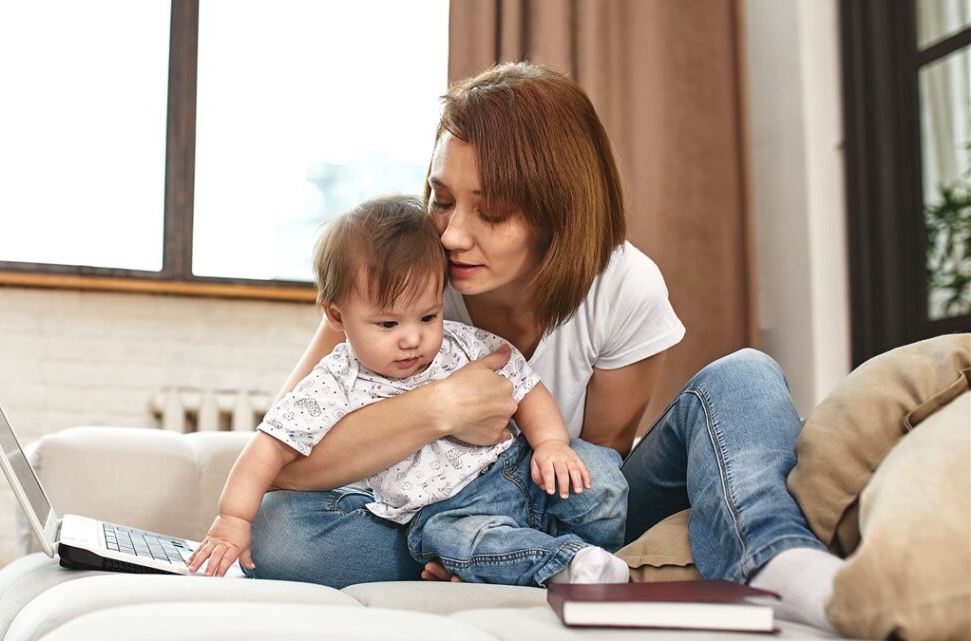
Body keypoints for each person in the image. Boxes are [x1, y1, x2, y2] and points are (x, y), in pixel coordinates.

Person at [246, 62, 844, 632]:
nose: (452, 235)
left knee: (745, 373)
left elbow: (602, 464)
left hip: (568, 499)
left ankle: (775, 564)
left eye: (494, 213)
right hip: (438, 519)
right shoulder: (397, 286)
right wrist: (442, 408)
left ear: (560, 213)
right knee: (281, 533)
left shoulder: (625, 286)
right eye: (442, 198)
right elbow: (287, 466)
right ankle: (506, 559)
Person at [187, 195, 631, 586]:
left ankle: (594, 556)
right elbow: (268, 450)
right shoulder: (335, 379)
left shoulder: (461, 343)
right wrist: (232, 519)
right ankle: (565, 566)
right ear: (337, 317)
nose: (411, 339)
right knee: (463, 542)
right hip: (449, 511)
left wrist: (552, 444)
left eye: (427, 317)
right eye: (387, 323)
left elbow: (527, 388)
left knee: (600, 474)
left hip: (522, 472)